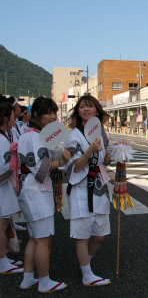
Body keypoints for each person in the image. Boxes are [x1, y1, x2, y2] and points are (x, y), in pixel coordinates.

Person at [18, 96, 70, 293]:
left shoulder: (27, 134)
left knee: (34, 238)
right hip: (36, 192)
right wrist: (62, 160)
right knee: (43, 239)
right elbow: (41, 170)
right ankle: (45, 281)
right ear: (37, 115)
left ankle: (28, 278)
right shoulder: (36, 137)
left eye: (54, 112)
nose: (52, 116)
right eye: (47, 112)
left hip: (28, 190)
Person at [65, 95, 111, 287]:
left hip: (99, 187)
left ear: (97, 111)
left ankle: (87, 263)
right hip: (82, 188)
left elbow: (104, 160)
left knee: (99, 236)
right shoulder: (74, 135)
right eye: (82, 107)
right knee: (83, 236)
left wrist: (116, 153)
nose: (86, 110)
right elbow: (77, 165)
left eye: (90, 106)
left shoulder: (99, 132)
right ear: (78, 111)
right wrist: (90, 149)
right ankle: (87, 275)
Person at [0, 102, 23, 275]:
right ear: (6, 118)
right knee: (1, 226)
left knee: (4, 222)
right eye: (13, 116)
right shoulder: (1, 138)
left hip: (6, 186)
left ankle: (4, 259)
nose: (15, 119)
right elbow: (3, 165)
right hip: (2, 187)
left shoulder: (5, 135)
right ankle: (2, 260)